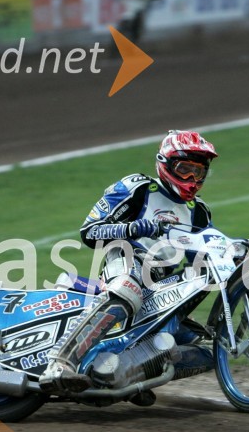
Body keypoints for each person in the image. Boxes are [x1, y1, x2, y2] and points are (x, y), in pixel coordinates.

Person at [38, 130, 218, 403]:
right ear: (165, 164)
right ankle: (60, 363)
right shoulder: (137, 188)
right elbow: (89, 231)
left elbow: (201, 265)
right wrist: (132, 227)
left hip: (162, 286)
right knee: (129, 288)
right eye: (185, 170)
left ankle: (127, 376)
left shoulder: (200, 212)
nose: (192, 180)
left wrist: (235, 257)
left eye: (198, 172)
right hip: (126, 260)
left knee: (211, 349)